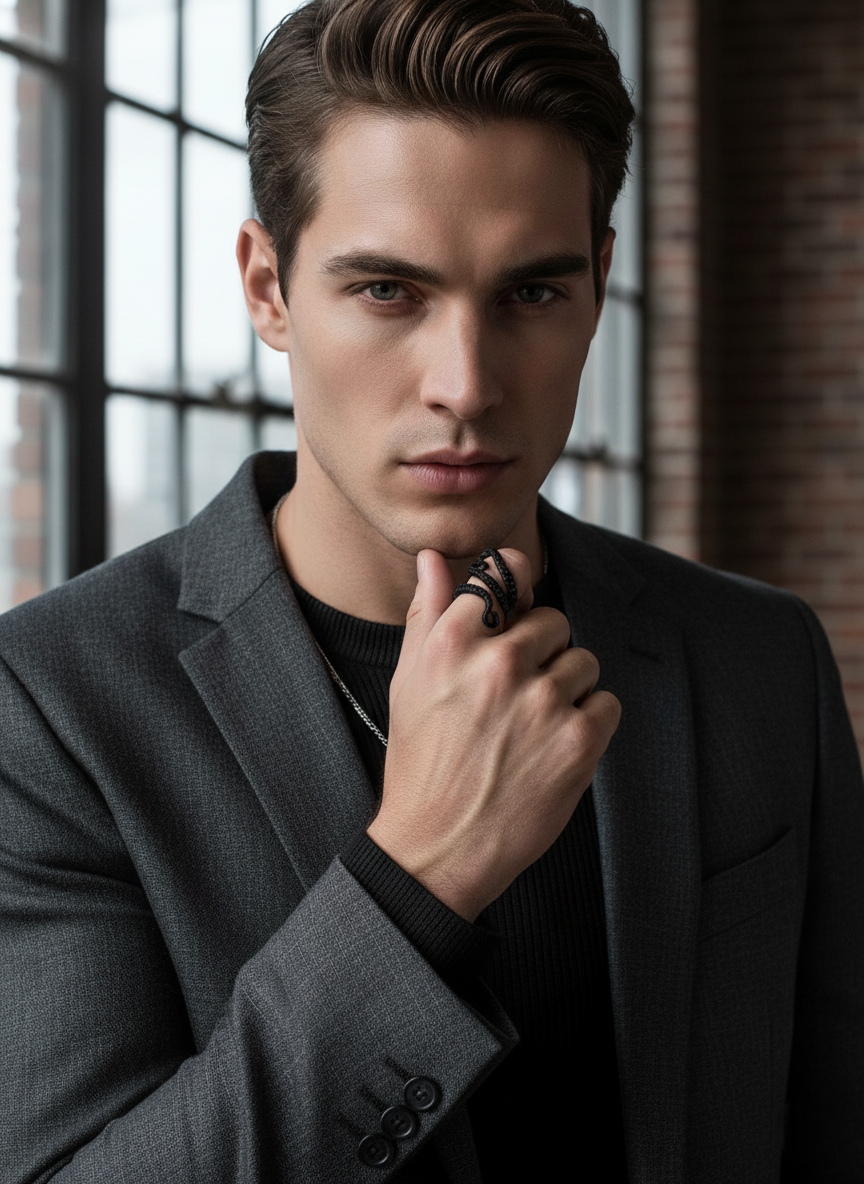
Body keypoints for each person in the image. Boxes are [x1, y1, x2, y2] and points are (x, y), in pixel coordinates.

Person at [2, 0, 862, 1180]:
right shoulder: (47, 705)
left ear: (602, 282)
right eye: (390, 292)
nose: (465, 383)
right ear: (267, 287)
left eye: (532, 293)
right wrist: (420, 876)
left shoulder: (759, 659)